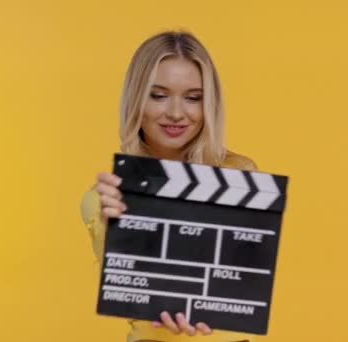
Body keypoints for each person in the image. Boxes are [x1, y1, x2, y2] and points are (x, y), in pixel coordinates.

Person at [80, 31, 258, 342]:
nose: (176, 113)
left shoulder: (239, 173)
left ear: (209, 103)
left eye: (193, 98)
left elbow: (240, 277)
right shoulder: (103, 200)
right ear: (137, 98)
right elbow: (138, 296)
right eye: (158, 95)